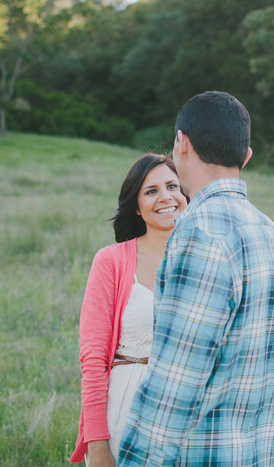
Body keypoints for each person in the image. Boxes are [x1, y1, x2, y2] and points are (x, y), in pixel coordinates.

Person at [118, 91, 274, 466]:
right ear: (245, 157)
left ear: (181, 144)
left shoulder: (198, 233)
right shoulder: (272, 235)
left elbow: (174, 384)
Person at [70, 154, 187, 466]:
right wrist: (96, 444)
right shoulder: (111, 261)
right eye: (151, 191)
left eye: (172, 186)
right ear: (136, 206)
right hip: (125, 408)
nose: (166, 197)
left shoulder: (203, 258)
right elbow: (93, 359)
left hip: (189, 413)